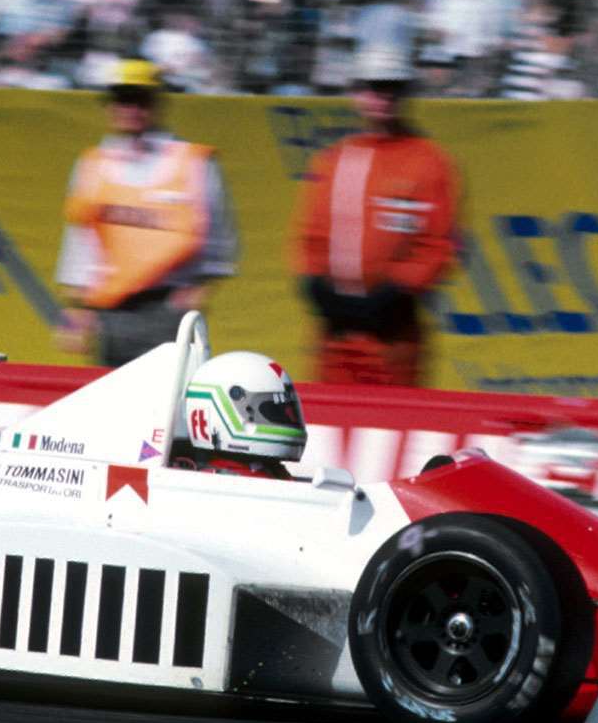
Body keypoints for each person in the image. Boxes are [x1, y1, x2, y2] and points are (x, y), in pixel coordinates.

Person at [290, 50, 461, 386]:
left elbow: (438, 244)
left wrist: (395, 294)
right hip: (336, 334)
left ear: (405, 92)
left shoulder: (430, 161)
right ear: (356, 93)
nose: (382, 96)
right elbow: (312, 235)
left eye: (392, 86)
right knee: (329, 414)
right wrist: (316, 286)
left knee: (393, 413)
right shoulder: (335, 159)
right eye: (372, 86)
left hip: (393, 333)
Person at [54, 59, 239, 366]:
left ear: (157, 103)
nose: (130, 108)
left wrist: (199, 292)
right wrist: (76, 308)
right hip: (111, 313)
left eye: (140, 99)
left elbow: (220, 239)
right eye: (122, 99)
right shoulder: (93, 163)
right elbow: (81, 240)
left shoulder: (192, 161)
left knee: (168, 394)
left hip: (169, 309)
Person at [169, 349, 307, 480]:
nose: (283, 419)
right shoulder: (215, 481)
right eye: (271, 410)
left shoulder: (271, 471)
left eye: (280, 411)